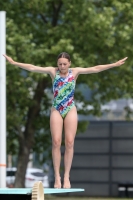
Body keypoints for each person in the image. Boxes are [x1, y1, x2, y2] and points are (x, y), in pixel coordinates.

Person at [3, 53, 127, 188]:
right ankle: (57, 177)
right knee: (56, 142)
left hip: (70, 108)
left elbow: (95, 68)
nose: (62, 66)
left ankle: (66, 176)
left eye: (64, 64)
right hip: (56, 109)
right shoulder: (53, 72)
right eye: (60, 64)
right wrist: (15, 63)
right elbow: (33, 68)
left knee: (69, 142)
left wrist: (114, 64)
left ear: (69, 63)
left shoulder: (75, 72)